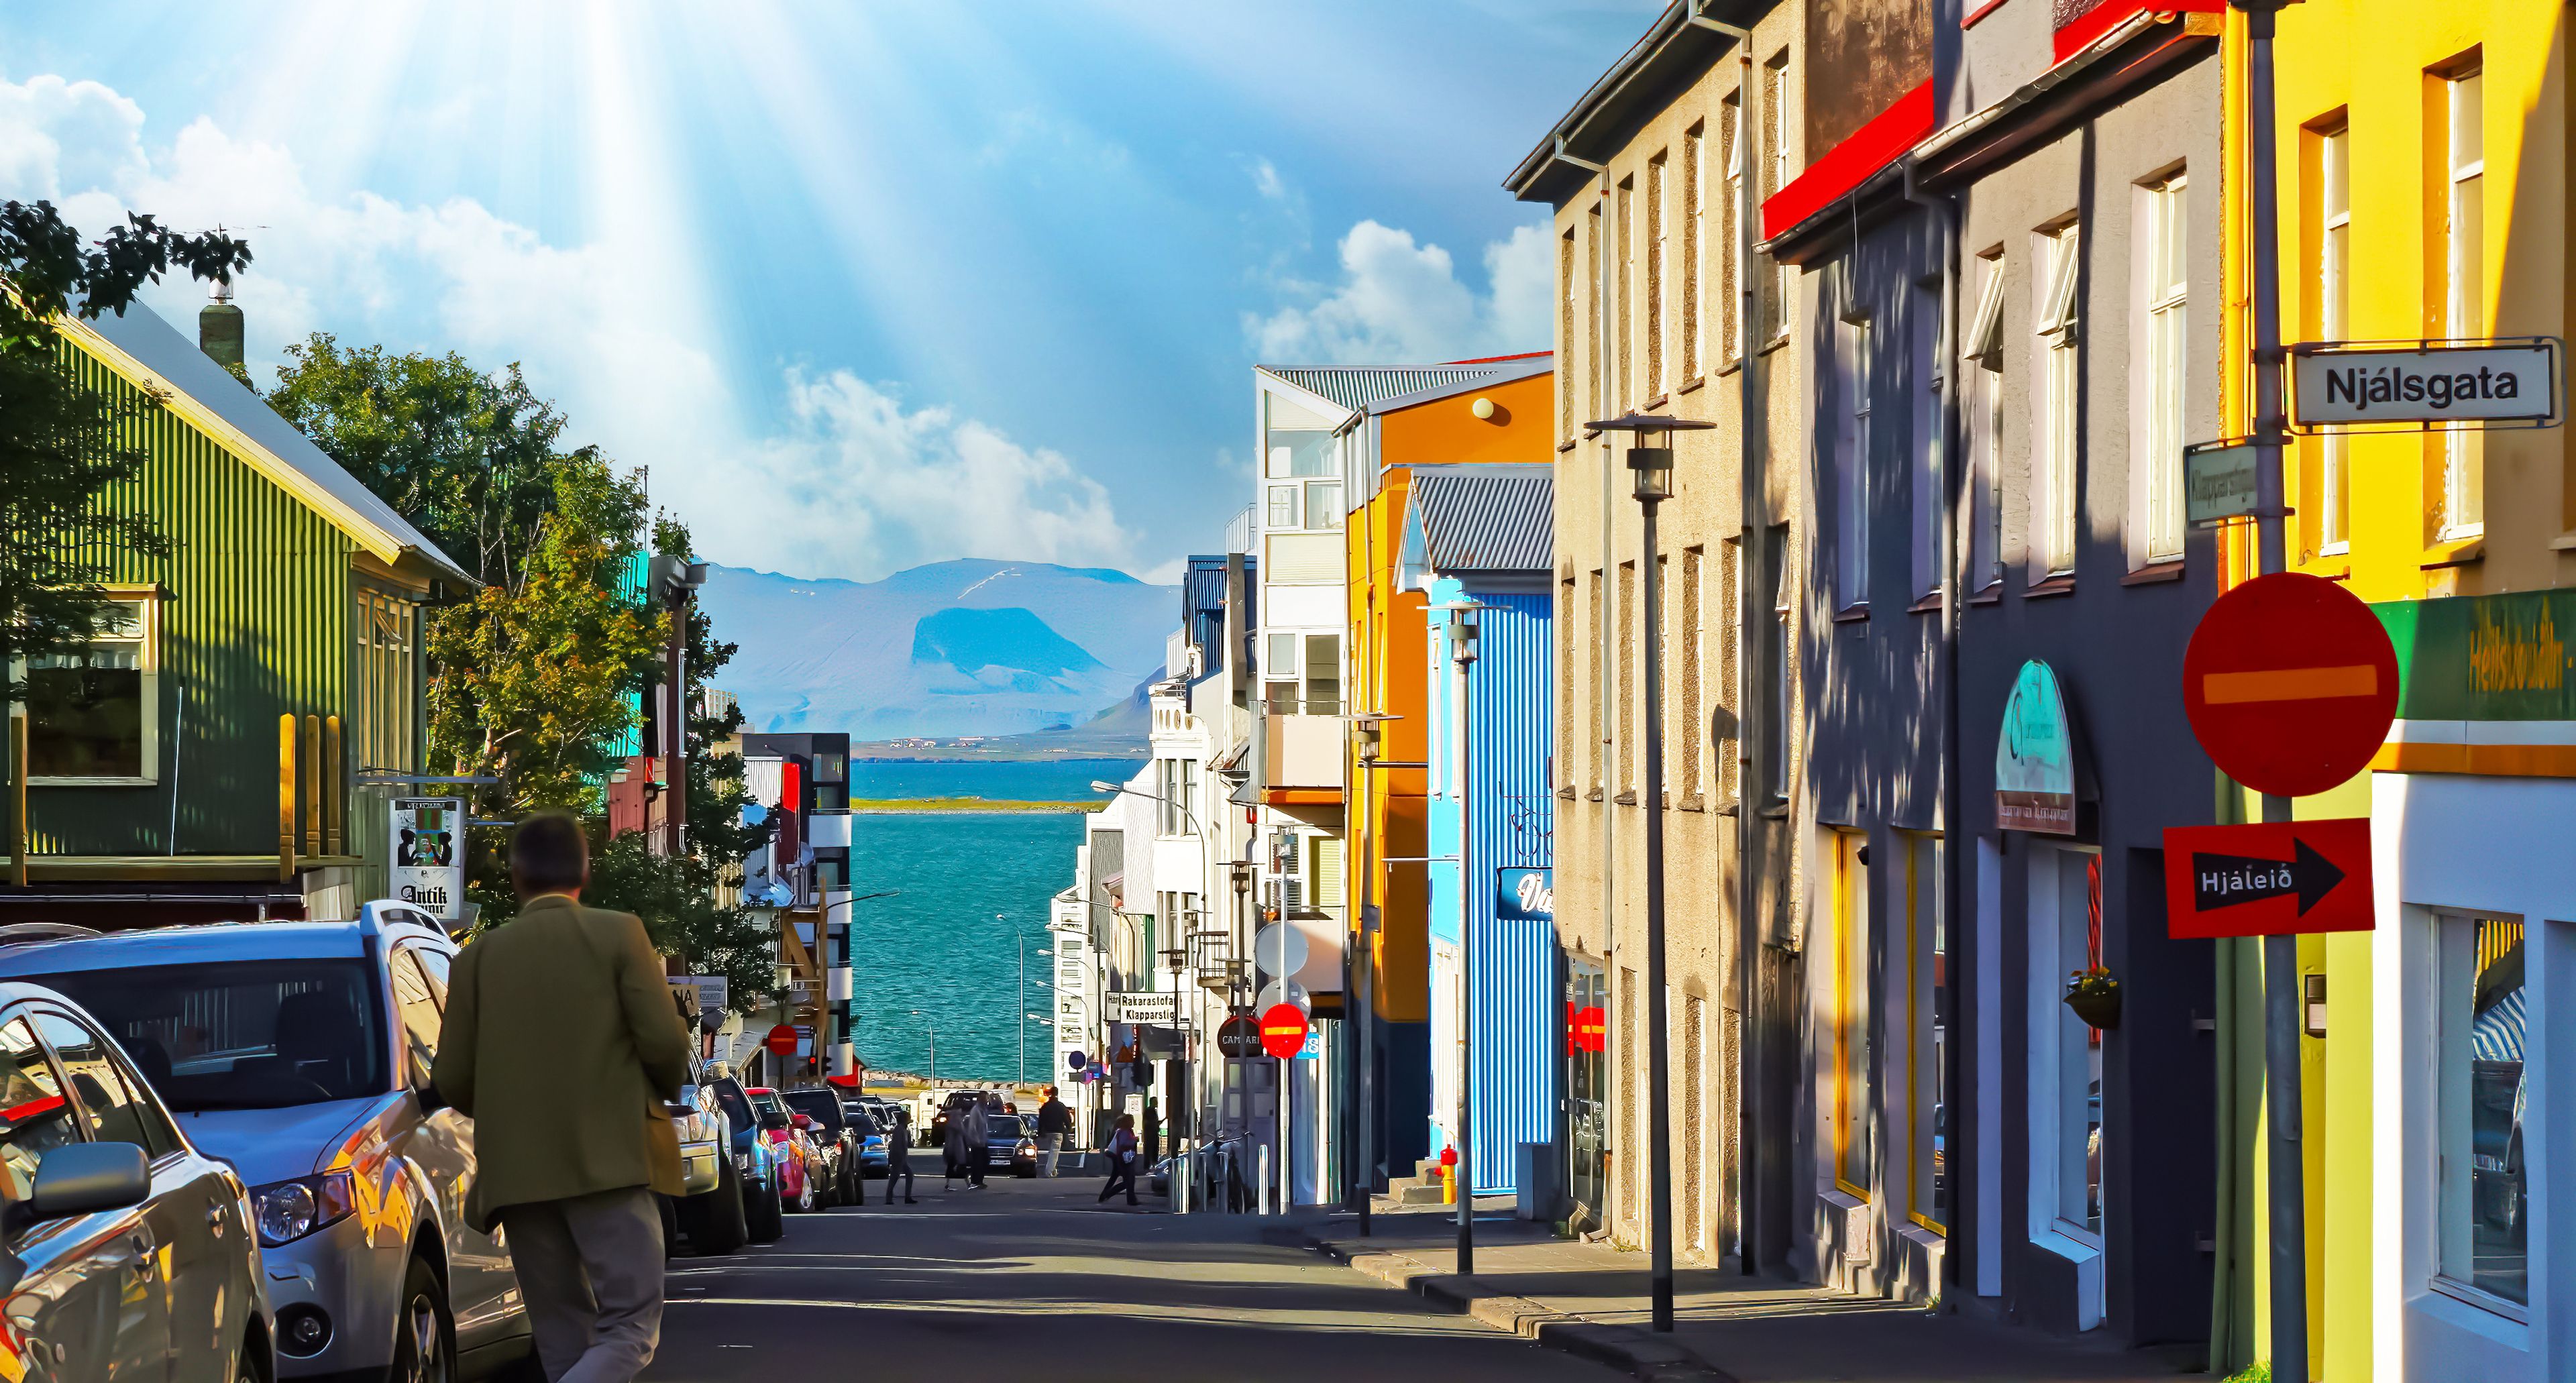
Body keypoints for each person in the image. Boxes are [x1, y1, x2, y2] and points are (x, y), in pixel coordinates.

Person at [433, 812, 691, 1383]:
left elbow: (451, 1077)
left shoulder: (477, 958)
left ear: (515, 875)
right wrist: (663, 1091)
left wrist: (514, 1106)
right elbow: (664, 1042)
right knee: (630, 1325)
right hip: (612, 1161)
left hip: (517, 1177)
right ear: (585, 870)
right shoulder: (619, 933)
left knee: (562, 1340)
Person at [1097, 1113, 1140, 1206]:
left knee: (1123, 1178)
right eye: (1132, 1121)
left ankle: (1131, 1199)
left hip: (1120, 1156)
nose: (1134, 1123)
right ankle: (1108, 1194)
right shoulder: (1124, 1132)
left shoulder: (1123, 1131)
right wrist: (1134, 1140)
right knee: (1128, 1180)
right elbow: (1123, 1144)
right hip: (1123, 1157)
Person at [1035, 1086, 1071, 1178]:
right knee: (1054, 1152)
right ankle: (1050, 1171)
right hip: (1058, 1131)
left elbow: (1041, 1120)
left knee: (1048, 1151)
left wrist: (1040, 1132)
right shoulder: (1061, 1106)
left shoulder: (1045, 1107)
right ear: (1057, 1094)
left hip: (1047, 1131)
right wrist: (1069, 1127)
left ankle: (1051, 1170)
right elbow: (1067, 1119)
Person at [883, 1108, 917, 1204]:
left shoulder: (901, 1129)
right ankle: (890, 1198)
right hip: (898, 1157)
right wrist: (900, 1158)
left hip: (900, 1157)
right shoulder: (900, 1129)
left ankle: (906, 1197)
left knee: (906, 1175)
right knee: (895, 1177)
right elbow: (898, 1145)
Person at [958, 1097, 991, 1189]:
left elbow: (984, 1125)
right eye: (986, 1099)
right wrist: (976, 1139)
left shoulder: (983, 1110)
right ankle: (975, 1181)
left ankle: (979, 1180)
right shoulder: (976, 1111)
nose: (987, 1101)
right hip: (977, 1142)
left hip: (983, 1141)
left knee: (984, 1161)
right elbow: (973, 1127)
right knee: (978, 1162)